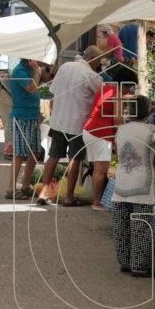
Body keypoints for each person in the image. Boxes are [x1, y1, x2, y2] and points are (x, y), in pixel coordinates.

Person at [112, 95, 155, 276]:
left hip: (121, 183)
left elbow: (116, 150)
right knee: (141, 227)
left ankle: (125, 263)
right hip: (142, 184)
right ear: (149, 111)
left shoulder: (121, 129)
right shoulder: (152, 130)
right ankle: (140, 266)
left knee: (122, 226)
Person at [48, 47, 103, 207]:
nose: (98, 64)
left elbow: (53, 93)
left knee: (53, 156)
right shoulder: (91, 75)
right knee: (75, 159)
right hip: (77, 124)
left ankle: (44, 192)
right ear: (93, 59)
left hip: (58, 120)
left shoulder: (65, 67)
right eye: (98, 61)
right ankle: (69, 197)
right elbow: (103, 95)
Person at [82, 65, 137, 211]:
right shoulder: (117, 93)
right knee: (102, 170)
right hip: (100, 133)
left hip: (89, 130)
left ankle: (96, 200)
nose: (128, 92)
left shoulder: (104, 88)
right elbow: (118, 120)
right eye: (129, 88)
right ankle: (97, 203)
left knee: (96, 169)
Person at [5, 58, 43, 199]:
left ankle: (25, 185)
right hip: (21, 117)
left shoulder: (28, 69)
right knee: (20, 154)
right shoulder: (20, 71)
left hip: (32, 115)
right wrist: (37, 71)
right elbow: (32, 88)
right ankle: (11, 189)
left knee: (35, 152)